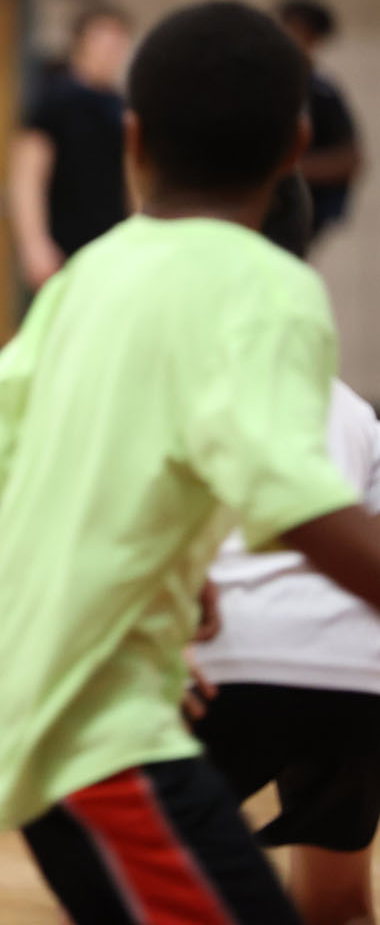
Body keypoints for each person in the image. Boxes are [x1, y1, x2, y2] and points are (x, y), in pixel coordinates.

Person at [0, 0, 380, 922]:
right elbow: (296, 506)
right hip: (95, 727)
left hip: (19, 694)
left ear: (132, 139)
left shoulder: (83, 278)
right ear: (297, 145)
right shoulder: (272, 287)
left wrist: (164, 569)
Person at [183, 172, 380, 925]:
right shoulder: (355, 410)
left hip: (225, 665)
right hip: (358, 675)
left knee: (113, 874)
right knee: (340, 905)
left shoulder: (179, 379)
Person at [8, 1, 133, 289]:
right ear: (82, 42)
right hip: (64, 238)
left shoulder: (118, 105)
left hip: (110, 236)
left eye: (118, 43)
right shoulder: (54, 101)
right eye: (104, 41)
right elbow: (27, 178)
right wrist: (34, 244)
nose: (112, 51)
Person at [278, 0, 363, 242]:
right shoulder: (256, 83)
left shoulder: (321, 93)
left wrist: (283, 169)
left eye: (304, 33)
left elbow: (348, 160)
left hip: (299, 212)